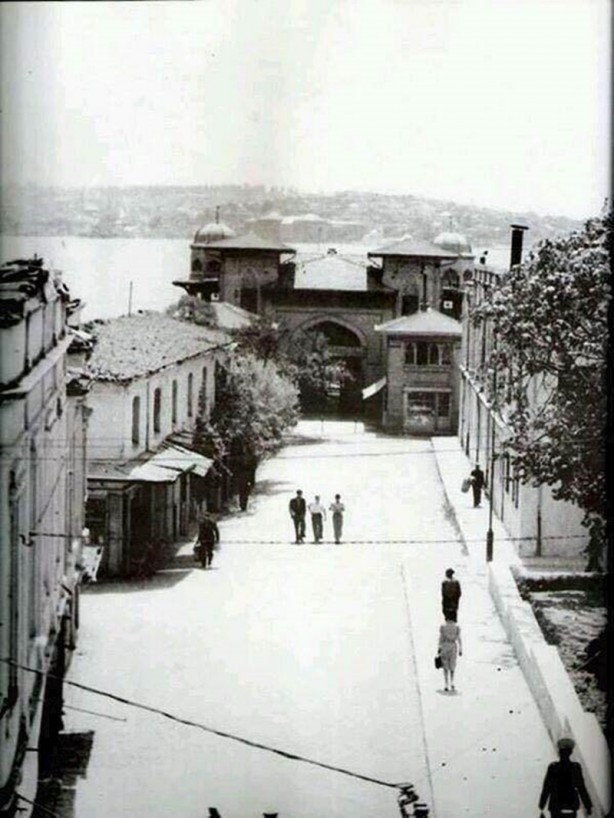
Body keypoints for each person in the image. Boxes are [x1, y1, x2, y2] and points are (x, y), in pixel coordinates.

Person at [539, 737, 592, 817]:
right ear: (571, 753)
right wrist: (588, 805)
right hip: (571, 806)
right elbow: (581, 787)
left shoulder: (553, 767)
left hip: (556, 807)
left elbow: (547, 788)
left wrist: (541, 805)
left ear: (559, 752)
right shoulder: (575, 768)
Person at [437, 616, 462, 692]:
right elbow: (459, 639)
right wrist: (460, 649)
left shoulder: (443, 627)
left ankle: (446, 684)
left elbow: (441, 638)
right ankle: (452, 682)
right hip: (453, 646)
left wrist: (439, 647)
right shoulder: (456, 627)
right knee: (452, 665)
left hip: (445, 646)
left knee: (445, 666)